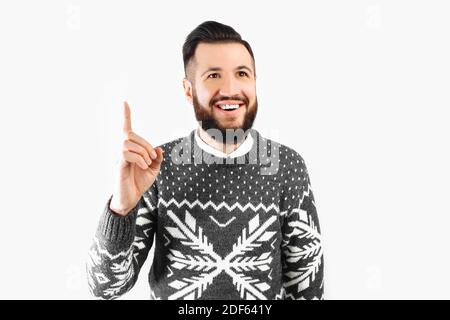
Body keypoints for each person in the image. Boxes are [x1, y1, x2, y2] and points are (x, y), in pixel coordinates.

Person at [86, 21, 324, 300]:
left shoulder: (288, 167)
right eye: (213, 76)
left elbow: (307, 289)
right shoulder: (153, 167)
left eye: (242, 74)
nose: (230, 89)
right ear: (188, 90)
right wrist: (121, 209)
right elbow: (106, 287)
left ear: (255, 83)